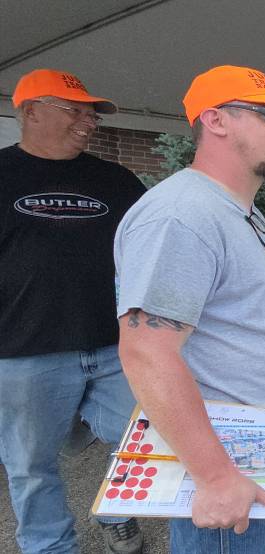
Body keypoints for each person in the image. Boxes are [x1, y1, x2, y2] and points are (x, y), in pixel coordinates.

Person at [113, 65, 265, 552]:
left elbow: (249, 318)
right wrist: (216, 476)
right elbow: (147, 352)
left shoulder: (240, 209)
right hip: (227, 463)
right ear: (216, 120)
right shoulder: (181, 215)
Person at [0, 69, 145, 554]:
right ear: (31, 112)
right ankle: (48, 545)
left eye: (92, 115)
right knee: (30, 464)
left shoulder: (117, 180)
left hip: (115, 345)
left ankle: (117, 512)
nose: (88, 122)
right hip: (24, 350)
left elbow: (148, 251)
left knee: (141, 441)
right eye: (74, 110)